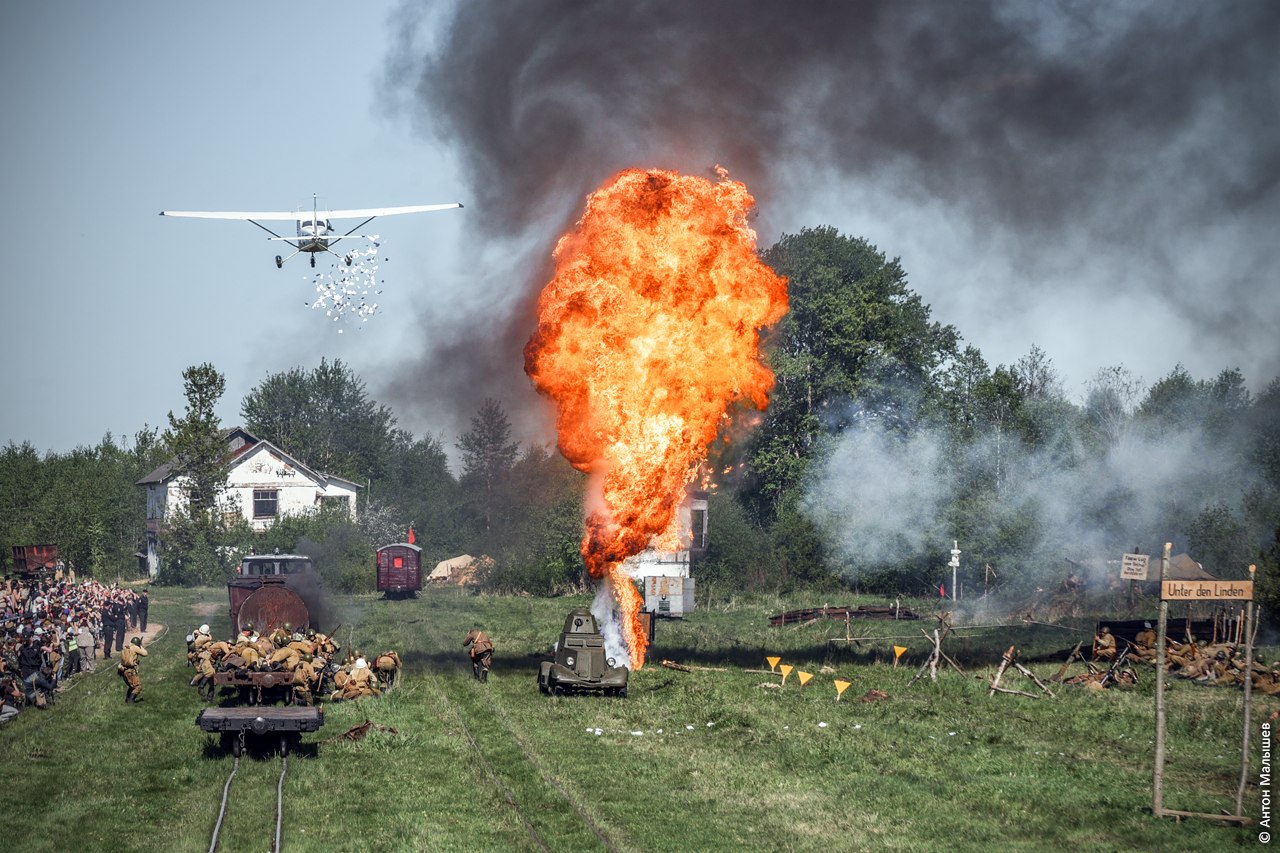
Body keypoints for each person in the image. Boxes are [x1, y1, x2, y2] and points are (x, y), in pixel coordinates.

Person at [118, 636, 148, 703]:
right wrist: (141, 646)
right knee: (138, 687)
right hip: (131, 671)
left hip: (123, 670)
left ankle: (127, 700)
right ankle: (131, 701)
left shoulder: (126, 647)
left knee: (131, 686)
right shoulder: (135, 647)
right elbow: (145, 654)